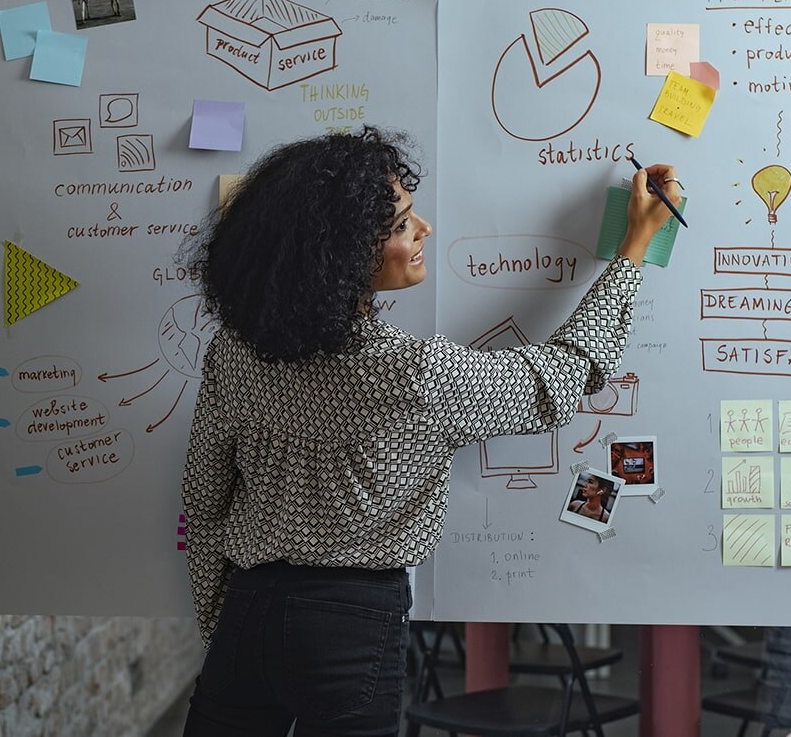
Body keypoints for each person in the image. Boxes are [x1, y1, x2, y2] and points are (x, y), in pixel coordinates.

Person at [179, 126, 681, 736]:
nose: (424, 231)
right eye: (400, 226)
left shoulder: (236, 350)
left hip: (248, 611)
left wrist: (218, 619)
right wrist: (634, 246)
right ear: (340, 255)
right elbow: (565, 375)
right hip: (351, 622)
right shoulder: (413, 374)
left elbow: (205, 499)